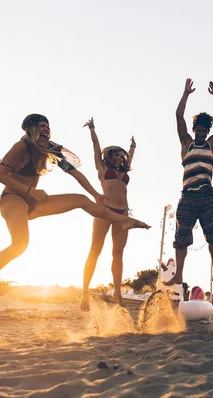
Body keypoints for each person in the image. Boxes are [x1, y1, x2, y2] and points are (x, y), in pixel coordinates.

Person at [0, 114, 150, 309]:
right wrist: (30, 191)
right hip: (13, 199)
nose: (46, 129)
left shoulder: (50, 149)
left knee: (81, 200)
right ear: (30, 128)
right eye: (41, 126)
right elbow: (0, 175)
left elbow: (76, 173)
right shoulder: (21, 147)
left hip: (35, 201)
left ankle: (125, 221)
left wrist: (96, 194)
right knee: (20, 244)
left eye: (48, 126)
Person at [164, 79, 213, 286]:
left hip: (207, 196)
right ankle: (179, 274)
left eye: (203, 131)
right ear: (194, 129)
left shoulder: (212, 144)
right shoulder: (186, 143)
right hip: (188, 197)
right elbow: (178, 116)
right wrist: (186, 94)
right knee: (181, 237)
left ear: (207, 132)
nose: (201, 133)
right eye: (198, 130)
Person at [80, 117, 138, 311]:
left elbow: (128, 157)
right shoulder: (102, 168)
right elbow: (96, 147)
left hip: (123, 214)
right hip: (104, 212)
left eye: (122, 157)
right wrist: (92, 129)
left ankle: (118, 294)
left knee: (118, 254)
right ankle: (84, 292)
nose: (120, 159)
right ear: (109, 156)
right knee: (95, 250)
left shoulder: (123, 170)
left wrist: (132, 148)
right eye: (117, 156)